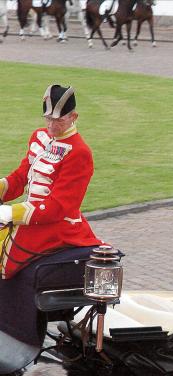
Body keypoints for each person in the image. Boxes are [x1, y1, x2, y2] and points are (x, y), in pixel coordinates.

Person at [0, 84, 102, 346]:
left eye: (58, 120)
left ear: (73, 117)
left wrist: (10, 213)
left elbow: (59, 207)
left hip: (57, 226)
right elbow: (21, 177)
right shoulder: (38, 137)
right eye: (48, 119)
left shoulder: (80, 152)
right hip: (32, 217)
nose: (52, 125)